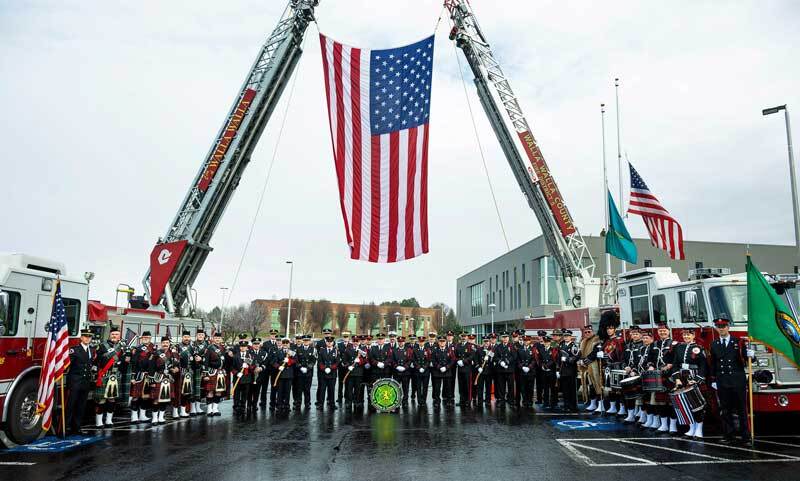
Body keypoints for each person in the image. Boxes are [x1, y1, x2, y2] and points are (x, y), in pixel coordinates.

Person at [709, 317, 755, 445]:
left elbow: (747, 358)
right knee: (725, 409)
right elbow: (713, 363)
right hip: (722, 380)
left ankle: (746, 437)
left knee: (741, 409)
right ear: (716, 328)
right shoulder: (714, 344)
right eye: (719, 327)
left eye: (723, 326)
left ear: (728, 327)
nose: (721, 328)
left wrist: (752, 355)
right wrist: (713, 379)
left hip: (737, 380)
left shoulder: (738, 342)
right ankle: (728, 435)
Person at [670, 328, 708, 438]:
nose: (686, 337)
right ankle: (691, 428)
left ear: (693, 336)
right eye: (685, 335)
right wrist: (677, 378)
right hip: (682, 377)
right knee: (685, 404)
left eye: (688, 335)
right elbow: (675, 363)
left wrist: (696, 379)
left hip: (694, 376)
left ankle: (699, 429)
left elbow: (703, 366)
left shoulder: (698, 348)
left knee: (697, 405)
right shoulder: (679, 347)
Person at [94, 325, 127, 427]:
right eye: (112, 334)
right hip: (105, 374)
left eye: (116, 334)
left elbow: (126, 361)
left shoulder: (123, 347)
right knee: (101, 399)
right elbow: (97, 360)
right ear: (109, 335)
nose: (114, 336)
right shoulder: (102, 346)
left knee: (112, 399)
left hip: (116, 375)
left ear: (119, 336)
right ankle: (99, 421)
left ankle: (109, 420)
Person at [66, 329, 95, 435]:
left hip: (85, 382)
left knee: (81, 406)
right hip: (75, 381)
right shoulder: (74, 350)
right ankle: (67, 427)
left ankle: (77, 427)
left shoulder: (91, 350)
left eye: (89, 337)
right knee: (71, 405)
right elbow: (67, 365)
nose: (87, 338)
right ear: (81, 338)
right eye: (85, 336)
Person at [650, 321, 677, 434]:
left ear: (668, 331)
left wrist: (670, 365)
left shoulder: (674, 344)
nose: (662, 332)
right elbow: (650, 359)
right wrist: (650, 366)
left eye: (664, 331)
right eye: (660, 331)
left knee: (672, 403)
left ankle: (673, 426)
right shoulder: (654, 344)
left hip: (670, 377)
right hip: (658, 376)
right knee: (660, 402)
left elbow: (677, 359)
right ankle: (664, 425)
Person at [149, 336, 180, 425]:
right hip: (158, 377)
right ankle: (155, 418)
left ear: (169, 344)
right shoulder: (155, 354)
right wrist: (152, 381)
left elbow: (177, 364)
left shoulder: (173, 354)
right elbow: (151, 368)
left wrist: (176, 368)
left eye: (167, 343)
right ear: (161, 344)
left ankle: (161, 417)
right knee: (156, 399)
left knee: (165, 399)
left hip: (168, 378)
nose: (165, 344)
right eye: (163, 343)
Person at [130, 330, 154, 423]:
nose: (145, 339)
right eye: (144, 338)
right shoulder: (137, 348)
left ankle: (142, 415)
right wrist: (132, 377)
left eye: (147, 338)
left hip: (148, 375)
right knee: (135, 396)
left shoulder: (153, 348)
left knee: (145, 396)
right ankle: (134, 416)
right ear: (141, 339)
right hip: (138, 375)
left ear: (150, 338)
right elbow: (134, 363)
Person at [621, 325, 644, 423]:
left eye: (636, 334)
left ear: (640, 335)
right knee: (628, 395)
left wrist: (634, 369)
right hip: (628, 373)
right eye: (633, 334)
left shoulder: (643, 345)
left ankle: (640, 414)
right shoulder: (627, 345)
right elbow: (623, 359)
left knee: (640, 395)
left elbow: (642, 359)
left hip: (639, 373)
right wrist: (625, 366)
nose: (634, 335)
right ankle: (630, 415)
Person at [579, 325, 603, 412]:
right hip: (585, 367)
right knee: (590, 386)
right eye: (585, 332)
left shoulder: (597, 339)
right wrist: (581, 360)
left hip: (594, 365)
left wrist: (585, 361)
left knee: (597, 384)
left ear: (592, 331)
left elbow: (595, 352)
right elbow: (580, 352)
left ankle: (601, 404)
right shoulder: (583, 341)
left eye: (589, 331)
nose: (587, 333)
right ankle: (592, 403)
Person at [203, 332, 227, 417]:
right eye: (216, 338)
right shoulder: (209, 348)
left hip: (220, 372)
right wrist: (205, 374)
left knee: (218, 391)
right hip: (211, 372)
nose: (217, 339)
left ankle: (215, 409)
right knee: (210, 391)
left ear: (221, 339)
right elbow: (205, 361)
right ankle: (209, 410)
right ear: (213, 338)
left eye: (219, 338)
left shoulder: (223, 348)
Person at [230, 339, 255, 415]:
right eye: (242, 346)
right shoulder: (235, 356)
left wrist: (248, 366)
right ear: (240, 347)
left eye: (245, 346)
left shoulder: (250, 355)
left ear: (247, 347)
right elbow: (231, 367)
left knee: (245, 394)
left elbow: (253, 367)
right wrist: (236, 373)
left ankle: (243, 406)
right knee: (237, 394)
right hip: (237, 378)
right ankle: (236, 406)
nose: (243, 348)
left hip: (247, 378)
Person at [430, 335, 455, 408]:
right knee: (437, 388)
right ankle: (437, 401)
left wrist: (446, 367)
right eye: (440, 341)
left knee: (448, 387)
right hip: (437, 372)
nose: (442, 343)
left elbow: (453, 360)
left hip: (447, 372)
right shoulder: (435, 350)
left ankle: (449, 401)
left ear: (445, 342)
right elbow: (433, 360)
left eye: (443, 341)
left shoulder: (450, 350)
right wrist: (439, 367)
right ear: (438, 342)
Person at [493, 332, 517, 406]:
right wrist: (500, 362)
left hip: (509, 369)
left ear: (508, 338)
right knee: (501, 386)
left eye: (506, 337)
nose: (505, 339)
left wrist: (507, 362)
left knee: (510, 386)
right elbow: (495, 357)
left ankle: (511, 400)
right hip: (500, 370)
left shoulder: (512, 346)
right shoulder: (498, 347)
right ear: (501, 338)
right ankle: (502, 400)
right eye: (503, 337)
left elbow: (514, 356)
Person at [342, 335, 366, 408]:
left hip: (359, 372)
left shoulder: (362, 349)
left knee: (357, 389)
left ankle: (356, 401)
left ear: (359, 342)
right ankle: (348, 402)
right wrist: (348, 365)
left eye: (357, 341)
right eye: (354, 341)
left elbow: (365, 360)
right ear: (352, 342)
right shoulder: (348, 350)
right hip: (350, 373)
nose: (355, 342)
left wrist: (359, 362)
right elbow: (344, 360)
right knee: (349, 388)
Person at [559, 330, 580, 412]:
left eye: (568, 336)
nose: (566, 337)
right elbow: (558, 358)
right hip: (563, 371)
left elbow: (577, 356)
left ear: (571, 337)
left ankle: (573, 406)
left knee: (572, 390)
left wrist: (567, 359)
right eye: (565, 336)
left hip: (571, 371)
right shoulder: (561, 345)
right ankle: (566, 405)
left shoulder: (574, 345)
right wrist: (558, 370)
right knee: (565, 390)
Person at [274, 339, 296, 412]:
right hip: (280, 374)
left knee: (287, 391)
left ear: (289, 344)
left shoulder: (291, 352)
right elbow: (273, 362)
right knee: (280, 391)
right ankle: (279, 405)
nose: (285, 344)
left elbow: (296, 360)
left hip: (289, 374)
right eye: (284, 343)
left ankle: (286, 405)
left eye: (287, 343)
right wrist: (278, 366)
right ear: (282, 344)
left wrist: (289, 361)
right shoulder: (278, 352)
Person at [294, 335, 316, 409]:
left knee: (307, 389)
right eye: (305, 340)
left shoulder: (313, 349)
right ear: (303, 341)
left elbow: (313, 361)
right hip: (300, 372)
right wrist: (300, 367)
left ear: (309, 341)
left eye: (307, 340)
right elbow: (296, 360)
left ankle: (307, 403)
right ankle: (298, 403)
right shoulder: (298, 349)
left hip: (308, 373)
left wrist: (308, 368)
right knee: (299, 388)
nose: (306, 342)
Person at [317, 336, 339, 410]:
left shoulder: (336, 351)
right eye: (328, 342)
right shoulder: (322, 351)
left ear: (333, 343)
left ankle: (332, 404)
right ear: (326, 342)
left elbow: (337, 362)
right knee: (322, 390)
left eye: (330, 342)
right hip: (323, 374)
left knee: (331, 390)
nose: (329, 343)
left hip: (332, 374)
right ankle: (321, 404)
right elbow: (319, 361)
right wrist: (324, 368)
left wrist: (330, 368)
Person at [190, 329, 209, 416]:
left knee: (200, 389)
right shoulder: (192, 344)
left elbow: (208, 357)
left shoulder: (207, 345)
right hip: (193, 369)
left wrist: (202, 359)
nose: (200, 336)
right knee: (193, 389)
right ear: (196, 335)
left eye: (202, 335)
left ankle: (198, 407)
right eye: (199, 335)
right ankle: (192, 408)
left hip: (203, 369)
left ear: (204, 336)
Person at [454, 333, 476, 406]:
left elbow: (472, 356)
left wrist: (463, 361)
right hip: (460, 369)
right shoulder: (458, 345)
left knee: (467, 385)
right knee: (461, 385)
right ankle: (462, 400)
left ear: (467, 337)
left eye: (465, 336)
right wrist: (457, 361)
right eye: (462, 336)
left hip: (467, 368)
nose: (463, 338)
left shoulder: (470, 346)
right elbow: (455, 355)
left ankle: (468, 400)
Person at [392, 336, 415, 405]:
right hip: (397, 372)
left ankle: (405, 401)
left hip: (406, 372)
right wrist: (397, 366)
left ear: (404, 342)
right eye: (399, 342)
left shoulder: (408, 350)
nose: (400, 343)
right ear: (398, 342)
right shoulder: (394, 350)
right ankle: (397, 401)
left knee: (406, 387)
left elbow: (410, 360)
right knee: (397, 387)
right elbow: (392, 360)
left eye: (402, 342)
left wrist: (405, 367)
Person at [261, 329, 280, 409]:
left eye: (275, 334)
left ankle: (274, 401)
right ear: (270, 335)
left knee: (274, 385)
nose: (273, 336)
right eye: (272, 334)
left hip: (274, 368)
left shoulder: (279, 343)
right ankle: (263, 400)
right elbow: (263, 355)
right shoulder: (265, 344)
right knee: (264, 385)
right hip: (266, 367)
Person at [517, 335, 537, 408]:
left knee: (530, 388)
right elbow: (518, 360)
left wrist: (529, 367)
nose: (526, 342)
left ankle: (530, 401)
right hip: (522, 371)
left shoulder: (533, 349)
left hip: (530, 371)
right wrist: (522, 367)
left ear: (530, 341)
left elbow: (535, 359)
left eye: (527, 340)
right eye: (525, 340)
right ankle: (524, 401)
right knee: (523, 387)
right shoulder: (519, 349)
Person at [474, 334, 495, 405]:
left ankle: (488, 400)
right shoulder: (479, 350)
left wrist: (489, 359)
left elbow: (493, 359)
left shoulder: (492, 350)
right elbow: (476, 360)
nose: (486, 343)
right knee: (480, 387)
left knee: (488, 387)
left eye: (487, 341)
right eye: (485, 341)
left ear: (489, 342)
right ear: (483, 342)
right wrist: (478, 367)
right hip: (481, 372)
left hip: (489, 372)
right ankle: (480, 400)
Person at [413, 335, 431, 405]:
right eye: (420, 342)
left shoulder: (428, 350)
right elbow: (414, 360)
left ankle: (424, 400)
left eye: (422, 342)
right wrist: (418, 367)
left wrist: (424, 367)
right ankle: (419, 401)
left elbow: (429, 360)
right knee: (418, 386)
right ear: (418, 342)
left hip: (425, 371)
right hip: (417, 371)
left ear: (424, 342)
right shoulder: (415, 350)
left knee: (425, 386)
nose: (421, 343)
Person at [336, 331, 352, 404]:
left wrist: (347, 363)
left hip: (348, 366)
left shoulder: (351, 345)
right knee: (340, 382)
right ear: (343, 337)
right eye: (344, 337)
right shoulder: (339, 345)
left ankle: (346, 397)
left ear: (349, 337)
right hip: (341, 366)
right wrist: (341, 362)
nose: (345, 338)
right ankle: (339, 397)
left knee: (348, 382)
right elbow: (337, 355)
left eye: (347, 337)